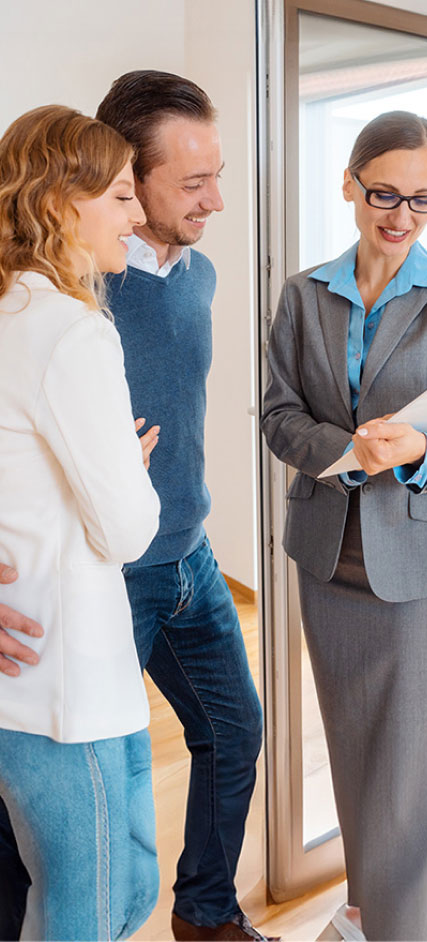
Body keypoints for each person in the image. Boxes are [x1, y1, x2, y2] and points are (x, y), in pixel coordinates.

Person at [0, 72, 270, 942]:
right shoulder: (69, 298)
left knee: (232, 735)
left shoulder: (200, 277)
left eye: (217, 175)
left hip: (187, 554)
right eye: (191, 183)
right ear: (124, 178)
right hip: (105, 575)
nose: (215, 201)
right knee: (62, 833)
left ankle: (207, 912)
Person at [261, 111, 427, 942]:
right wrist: (349, 452)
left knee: (408, 779)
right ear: (351, 184)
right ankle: (365, 913)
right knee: (357, 757)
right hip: (330, 563)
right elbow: (279, 416)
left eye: (423, 200)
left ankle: (405, 931)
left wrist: (420, 447)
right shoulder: (302, 294)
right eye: (385, 193)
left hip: (422, 564)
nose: (401, 216)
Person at [0, 104, 161, 940]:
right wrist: (129, 471)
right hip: (61, 684)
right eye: (123, 196)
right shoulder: (71, 330)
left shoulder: (14, 312)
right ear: (64, 199)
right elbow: (129, 531)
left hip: (49, 677)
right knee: (90, 910)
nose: (138, 218)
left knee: (122, 886)